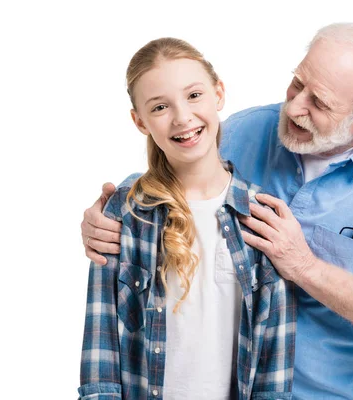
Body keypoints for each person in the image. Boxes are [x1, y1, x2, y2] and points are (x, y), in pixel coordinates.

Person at [82, 23, 353, 399]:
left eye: (318, 102)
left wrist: (305, 267)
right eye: (297, 83)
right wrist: (116, 212)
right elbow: (180, 169)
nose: (294, 106)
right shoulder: (246, 132)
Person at [78, 38, 296, 400]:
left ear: (219, 94)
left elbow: (274, 364)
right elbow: (101, 345)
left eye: (194, 96)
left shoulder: (261, 217)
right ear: (140, 121)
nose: (182, 117)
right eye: (160, 106)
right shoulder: (125, 211)